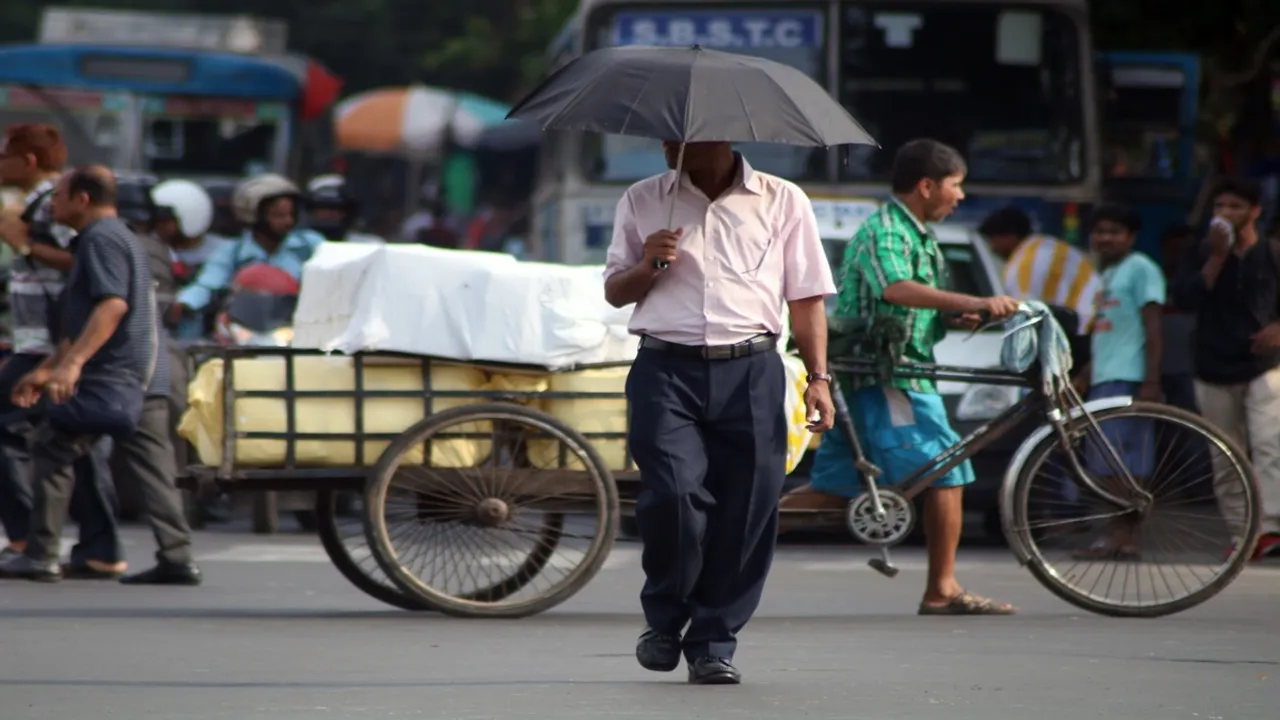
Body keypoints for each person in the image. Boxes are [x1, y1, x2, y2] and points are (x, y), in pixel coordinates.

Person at [604, 140, 836, 685]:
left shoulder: (782, 200)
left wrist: (819, 379)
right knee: (675, 498)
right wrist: (648, 264)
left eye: (679, 137)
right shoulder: (642, 200)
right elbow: (616, 292)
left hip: (752, 370)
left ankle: (713, 641)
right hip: (665, 371)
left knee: (748, 509)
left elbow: (805, 297)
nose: (668, 146)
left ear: (721, 136)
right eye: (664, 136)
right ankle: (664, 621)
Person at [782, 139, 1020, 615]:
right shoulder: (887, 230)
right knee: (947, 469)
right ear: (927, 186)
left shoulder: (916, 233)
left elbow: (915, 304)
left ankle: (720, 528)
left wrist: (955, 318)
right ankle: (942, 590)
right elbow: (895, 289)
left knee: (832, 491)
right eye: (955, 186)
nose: (960, 196)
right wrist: (973, 302)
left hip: (889, 371)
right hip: (890, 376)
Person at [0, 166, 180, 582]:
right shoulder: (118, 237)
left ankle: (41, 553)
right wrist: (50, 368)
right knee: (153, 469)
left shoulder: (101, 239)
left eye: (59, 197)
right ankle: (178, 555)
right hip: (143, 376)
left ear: (82, 199)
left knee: (52, 447)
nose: (54, 206)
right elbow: (81, 319)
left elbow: (111, 307)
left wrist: (73, 365)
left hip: (114, 376)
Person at [0, 125, 119, 575]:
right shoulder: (39, 203)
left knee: (11, 428)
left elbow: (80, 261)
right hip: (42, 340)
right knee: (75, 442)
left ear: (28, 161)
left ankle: (28, 536)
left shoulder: (54, 203)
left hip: (50, 345)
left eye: (3, 157)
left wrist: (25, 244)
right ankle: (100, 548)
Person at [1173, 177, 1280, 559]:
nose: (1226, 215)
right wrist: (1216, 258)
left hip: (1264, 364)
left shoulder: (1271, 253)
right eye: (1220, 207)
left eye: (1235, 207)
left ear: (1255, 211)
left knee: (1269, 445)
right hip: (1213, 363)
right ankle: (1242, 532)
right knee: (1225, 453)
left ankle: (1270, 528)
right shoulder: (1200, 253)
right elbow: (1184, 298)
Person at [1072, 204, 1165, 559]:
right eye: (1099, 231)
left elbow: (1153, 327)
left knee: (1125, 465)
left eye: (1114, 231)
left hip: (1129, 377)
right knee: (1105, 463)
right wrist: (1084, 374)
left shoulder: (1141, 269)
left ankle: (1124, 534)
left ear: (1131, 236)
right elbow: (1107, 333)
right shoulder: (1108, 274)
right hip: (1105, 377)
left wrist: (1152, 380)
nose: (1105, 238)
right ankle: (1117, 534)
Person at [173, 174, 323, 326]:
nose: (288, 221)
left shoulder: (309, 245)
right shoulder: (233, 251)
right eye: (278, 215)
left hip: (299, 325)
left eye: (291, 214)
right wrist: (184, 303)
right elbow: (208, 284)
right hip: (243, 326)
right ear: (254, 216)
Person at [979, 204, 1101, 335]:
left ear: (1009, 236)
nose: (993, 248)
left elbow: (1023, 315)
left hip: (1079, 331)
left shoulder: (1023, 265)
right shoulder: (1051, 246)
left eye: (993, 241)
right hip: (1095, 323)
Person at [304, 174, 382, 243]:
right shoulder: (299, 244)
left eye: (336, 208)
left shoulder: (365, 245)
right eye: (323, 208)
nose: (330, 213)